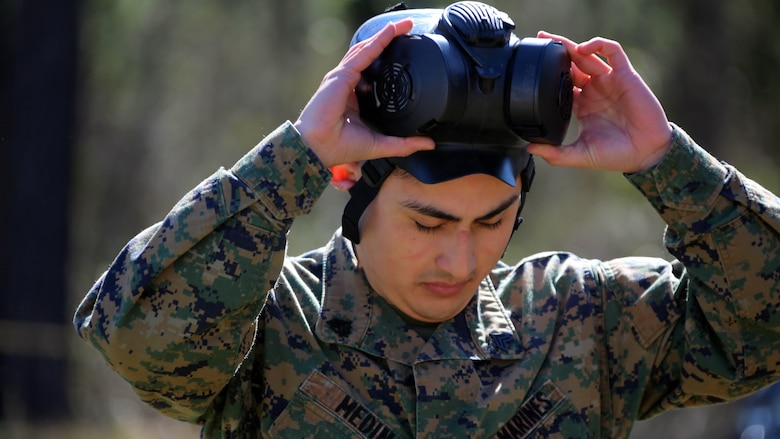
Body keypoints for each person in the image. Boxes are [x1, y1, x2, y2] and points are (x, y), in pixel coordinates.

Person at [74, 3, 780, 438]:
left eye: (493, 220)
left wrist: (666, 162)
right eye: (428, 223)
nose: (460, 260)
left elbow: (765, 322)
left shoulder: (582, 322)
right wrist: (294, 159)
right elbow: (143, 343)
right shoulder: (271, 324)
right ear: (349, 182)